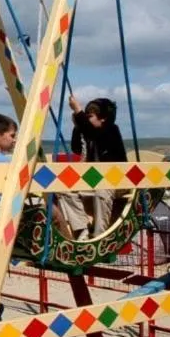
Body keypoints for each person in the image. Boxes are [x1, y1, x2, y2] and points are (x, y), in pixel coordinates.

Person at [61, 95, 128, 238]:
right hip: (98, 179)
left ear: (103, 118)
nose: (86, 119)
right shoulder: (90, 133)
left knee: (102, 191)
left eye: (89, 116)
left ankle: (99, 234)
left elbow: (94, 133)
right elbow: (76, 148)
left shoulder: (111, 130)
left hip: (117, 180)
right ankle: (82, 229)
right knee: (65, 190)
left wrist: (78, 111)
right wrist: (78, 126)